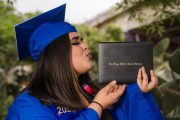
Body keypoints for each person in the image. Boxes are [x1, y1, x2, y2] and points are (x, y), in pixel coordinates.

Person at [6, 4, 163, 120]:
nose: (86, 46)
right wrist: (97, 106)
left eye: (82, 40)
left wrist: (136, 92)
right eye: (76, 42)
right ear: (56, 55)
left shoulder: (88, 91)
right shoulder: (29, 104)